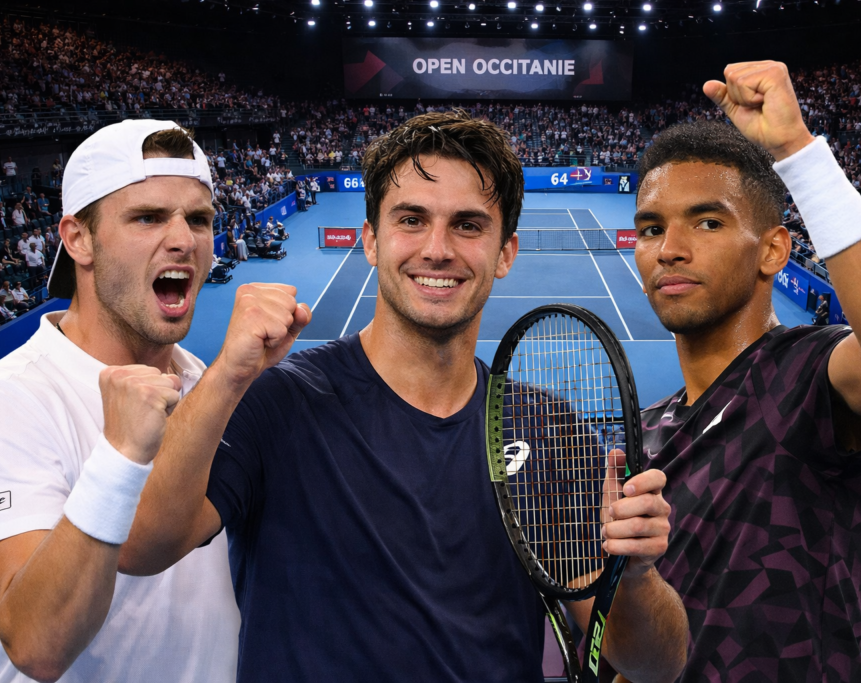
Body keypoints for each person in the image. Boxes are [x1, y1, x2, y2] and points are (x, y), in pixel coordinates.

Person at [119, 111, 689, 683]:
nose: (437, 249)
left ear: (505, 252)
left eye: (468, 225)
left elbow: (656, 667)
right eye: (411, 220)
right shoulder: (275, 402)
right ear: (371, 239)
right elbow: (141, 547)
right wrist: (225, 376)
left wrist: (637, 576)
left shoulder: (550, 428)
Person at [635, 61, 861, 681]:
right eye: (652, 228)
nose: (670, 250)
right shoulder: (646, 430)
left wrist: (796, 149)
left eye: (708, 222)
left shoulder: (805, 376)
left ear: (773, 250)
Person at [0, 120, 240, 682]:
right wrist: (120, 457)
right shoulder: (1, 402)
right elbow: (38, 644)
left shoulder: (205, 382)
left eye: (199, 219)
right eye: (148, 217)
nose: (184, 240)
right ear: (78, 239)